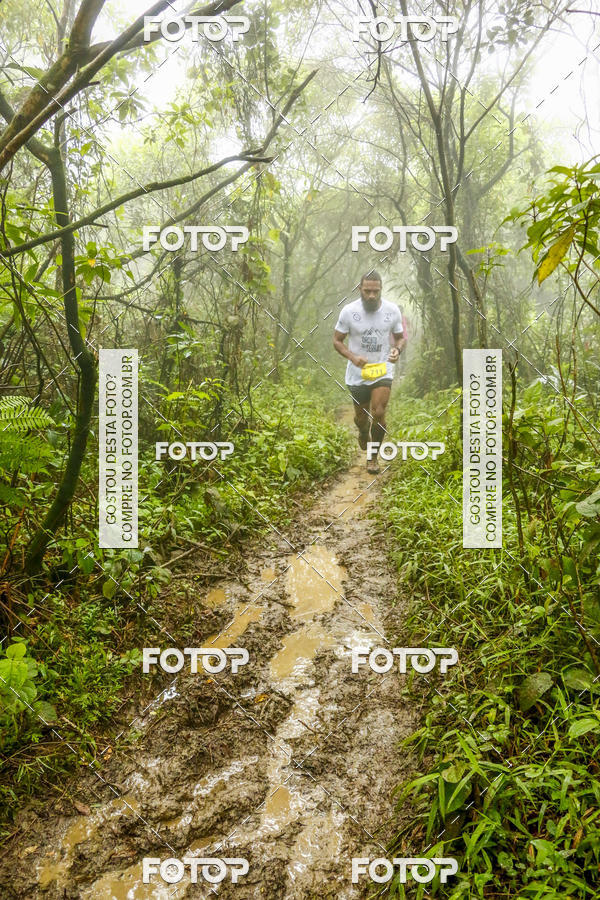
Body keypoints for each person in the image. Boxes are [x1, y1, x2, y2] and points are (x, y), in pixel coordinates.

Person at [333, 270, 406, 473]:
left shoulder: (392, 310)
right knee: (362, 417)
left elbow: (400, 337)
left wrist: (397, 350)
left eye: (375, 291)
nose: (372, 295)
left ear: (381, 289)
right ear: (360, 289)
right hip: (358, 373)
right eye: (367, 291)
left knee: (379, 412)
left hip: (382, 369)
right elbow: (337, 341)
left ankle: (372, 457)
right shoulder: (349, 311)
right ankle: (363, 429)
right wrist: (352, 357)